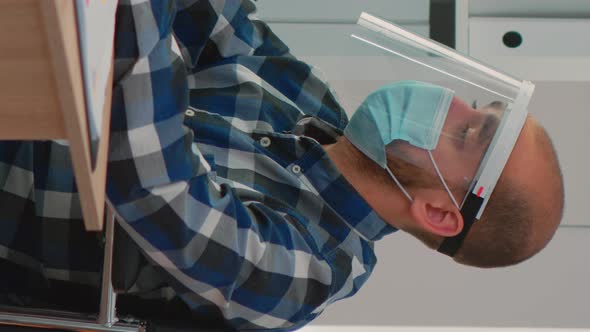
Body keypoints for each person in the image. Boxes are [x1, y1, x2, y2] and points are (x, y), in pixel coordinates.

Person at [0, 0, 564, 331]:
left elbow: (155, 180)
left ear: (439, 211)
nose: (451, 104)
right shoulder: (315, 112)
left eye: (468, 132)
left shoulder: (302, 273)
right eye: (475, 105)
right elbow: (216, 21)